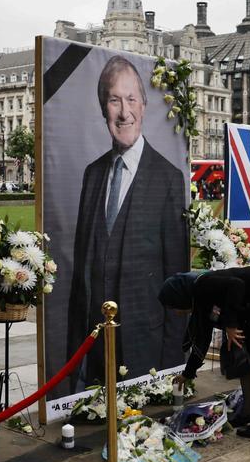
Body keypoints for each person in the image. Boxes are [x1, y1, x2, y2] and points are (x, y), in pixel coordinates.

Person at [68, 55, 188, 388]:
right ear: (103, 108)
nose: (124, 112)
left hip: (144, 349)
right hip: (95, 351)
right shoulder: (92, 175)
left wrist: (171, 362)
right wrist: (73, 361)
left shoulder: (169, 178)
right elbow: (81, 278)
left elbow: (177, 277)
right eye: (114, 100)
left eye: (131, 99)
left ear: (145, 106)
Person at [162, 268, 250, 439]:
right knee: (248, 357)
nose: (177, 312)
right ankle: (249, 412)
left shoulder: (203, 285)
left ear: (180, 296)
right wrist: (187, 374)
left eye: (174, 306)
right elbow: (202, 339)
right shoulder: (200, 300)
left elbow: (236, 285)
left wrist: (231, 325)